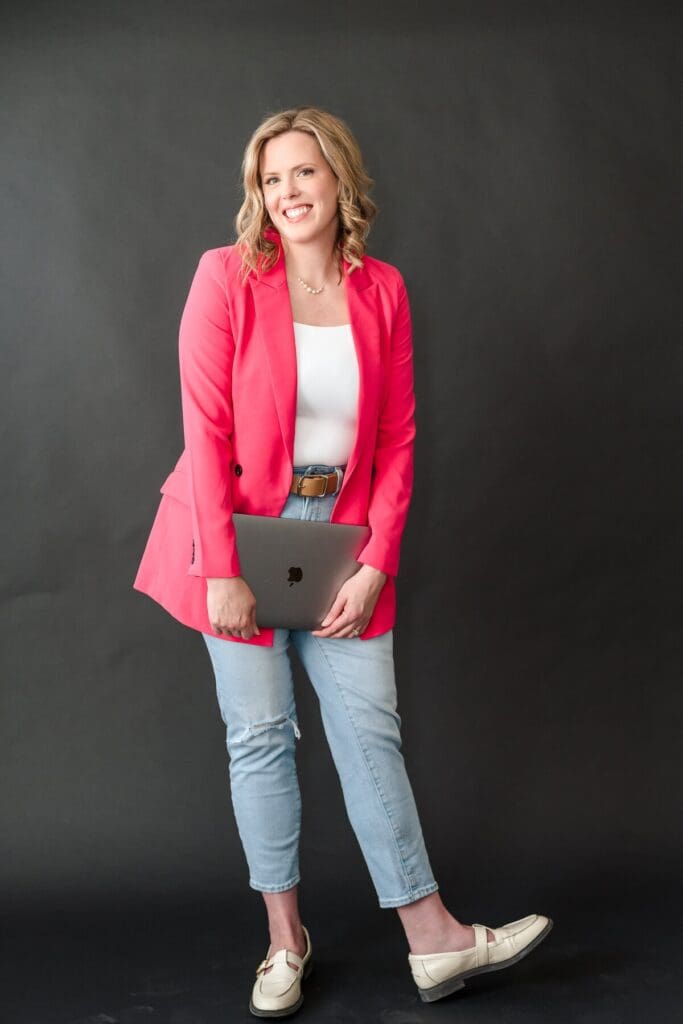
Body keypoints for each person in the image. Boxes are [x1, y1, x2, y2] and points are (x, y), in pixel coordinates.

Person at [133, 105, 553, 1017]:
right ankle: (284, 945)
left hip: (343, 534)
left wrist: (376, 561)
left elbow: (398, 439)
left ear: (338, 183)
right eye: (270, 177)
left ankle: (432, 939)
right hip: (233, 529)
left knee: (371, 734)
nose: (286, 192)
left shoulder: (383, 290)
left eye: (303, 173)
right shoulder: (225, 278)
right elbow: (203, 434)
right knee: (259, 737)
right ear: (258, 192)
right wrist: (221, 568)